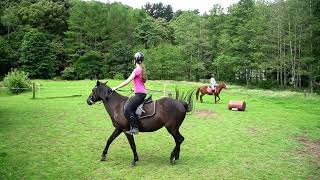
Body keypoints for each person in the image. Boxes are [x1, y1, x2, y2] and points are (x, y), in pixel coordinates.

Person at [112, 52, 147, 135]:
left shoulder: (137, 70)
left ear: (135, 60)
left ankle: (135, 128)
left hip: (139, 94)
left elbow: (127, 81)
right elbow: (140, 83)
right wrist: (134, 89)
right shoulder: (141, 69)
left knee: (127, 108)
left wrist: (116, 87)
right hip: (141, 93)